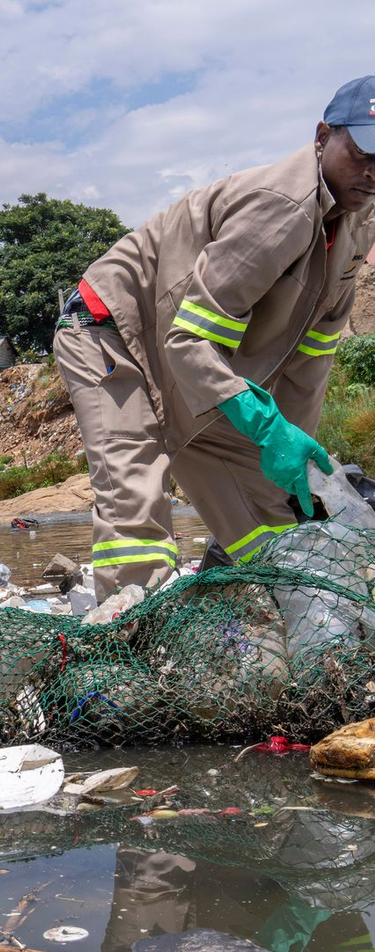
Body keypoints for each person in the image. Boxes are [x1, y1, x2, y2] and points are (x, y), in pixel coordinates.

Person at [54, 77, 375, 602]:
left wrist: (292, 448)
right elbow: (189, 341)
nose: (372, 171)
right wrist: (265, 426)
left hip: (190, 357)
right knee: (136, 490)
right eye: (362, 152)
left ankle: (261, 614)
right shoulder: (281, 207)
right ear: (323, 137)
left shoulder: (358, 223)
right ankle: (128, 634)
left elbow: (312, 357)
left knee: (269, 512)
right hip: (112, 332)